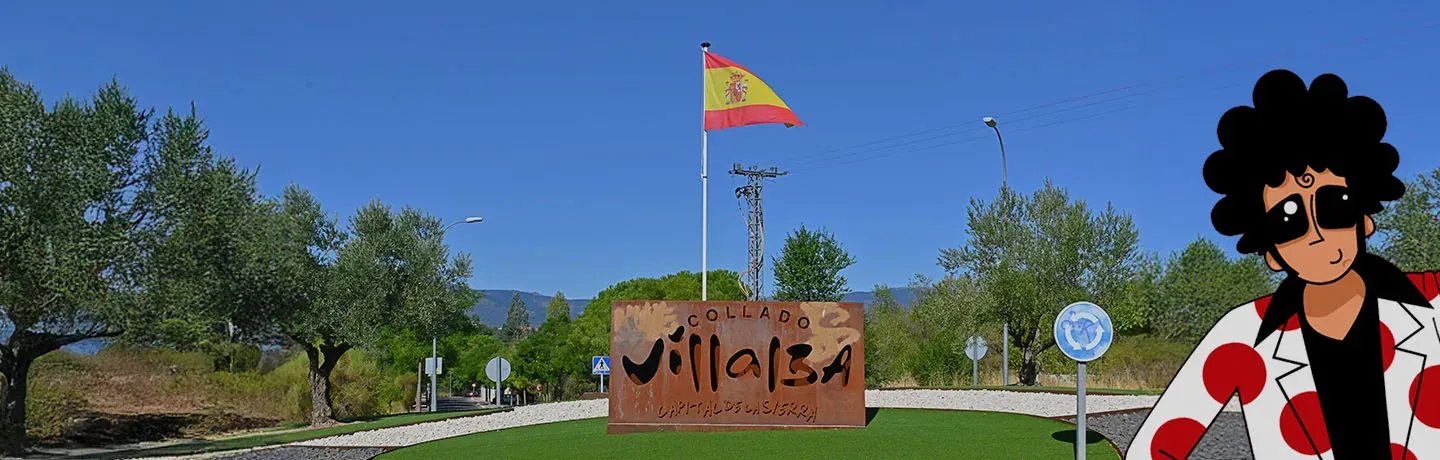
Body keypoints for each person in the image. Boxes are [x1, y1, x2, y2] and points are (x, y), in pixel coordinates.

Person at [1125, 69, 1440, 459]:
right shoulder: (1242, 337)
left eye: (1334, 205)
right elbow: (1152, 448)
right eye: (1288, 221)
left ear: (1364, 219)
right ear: (1271, 252)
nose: (1317, 232)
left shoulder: (1434, 304)